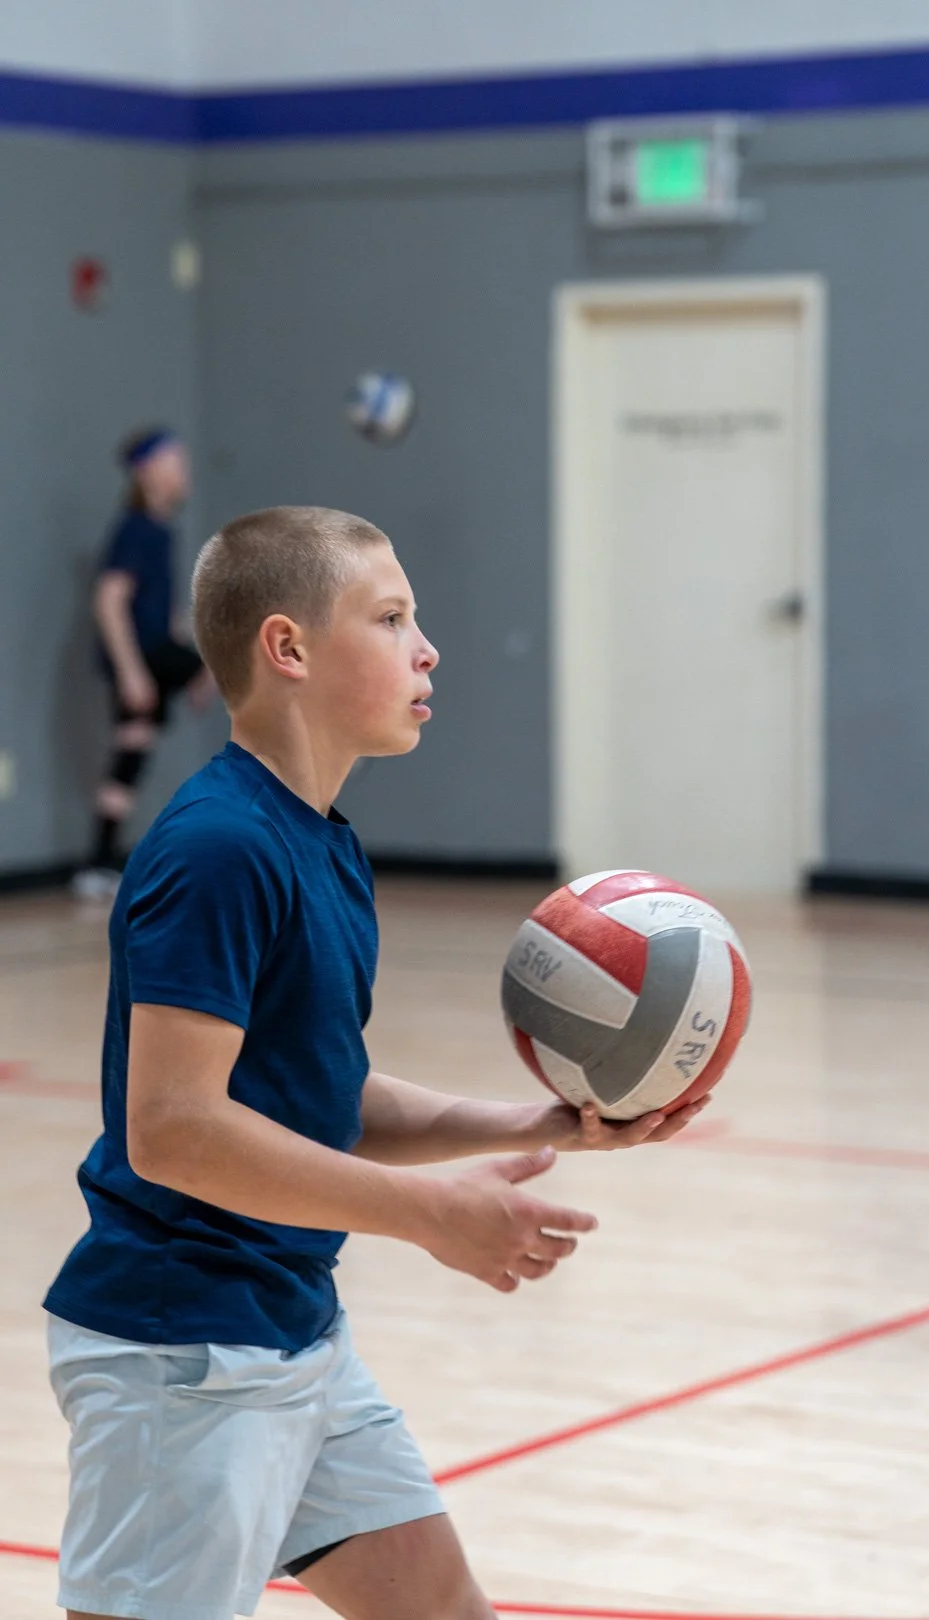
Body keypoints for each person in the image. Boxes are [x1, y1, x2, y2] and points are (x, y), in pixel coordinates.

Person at [43, 505, 710, 1620]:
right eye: (391, 617)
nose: (427, 646)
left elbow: (322, 1094)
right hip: (185, 1355)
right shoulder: (218, 848)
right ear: (288, 649)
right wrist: (425, 1213)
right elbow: (173, 1129)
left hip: (292, 1324)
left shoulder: (319, 839)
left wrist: (543, 1123)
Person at [73, 427, 213, 901]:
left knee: (132, 750)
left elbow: (166, 611)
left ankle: (99, 862)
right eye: (175, 461)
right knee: (238, 669)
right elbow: (110, 601)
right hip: (141, 656)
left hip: (157, 650)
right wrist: (133, 672)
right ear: (148, 472)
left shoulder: (162, 528)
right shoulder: (135, 528)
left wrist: (192, 663)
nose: (184, 471)